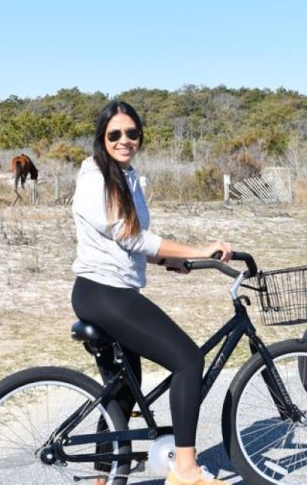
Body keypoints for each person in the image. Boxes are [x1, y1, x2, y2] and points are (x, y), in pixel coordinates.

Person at [71, 100, 230, 485]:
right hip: (106, 292)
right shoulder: (94, 175)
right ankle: (186, 471)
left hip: (107, 290)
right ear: (102, 138)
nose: (125, 140)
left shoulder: (128, 176)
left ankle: (102, 480)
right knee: (188, 360)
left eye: (132, 133)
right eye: (115, 134)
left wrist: (165, 261)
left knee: (123, 392)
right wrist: (196, 249)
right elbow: (126, 233)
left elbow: (128, 243)